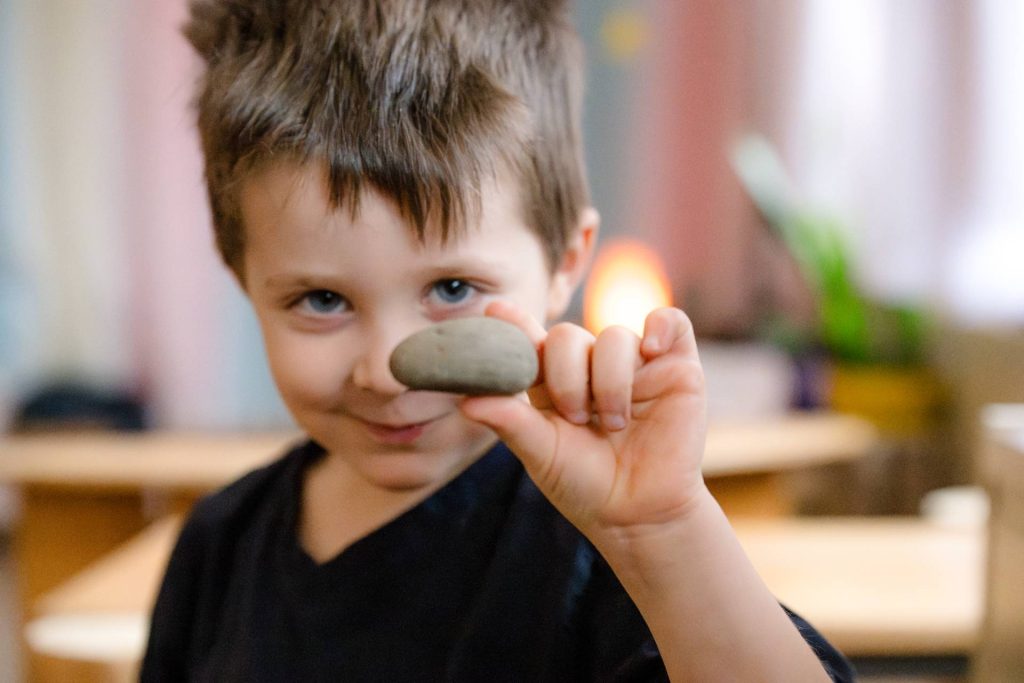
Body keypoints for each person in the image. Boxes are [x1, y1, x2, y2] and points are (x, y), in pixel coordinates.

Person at [142, 1, 854, 680]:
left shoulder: (604, 541)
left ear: (564, 263)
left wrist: (664, 534)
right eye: (322, 299)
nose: (387, 374)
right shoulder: (220, 546)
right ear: (241, 273)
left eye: (453, 289)